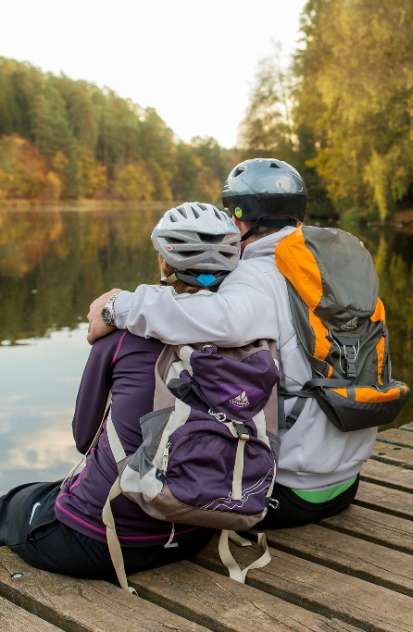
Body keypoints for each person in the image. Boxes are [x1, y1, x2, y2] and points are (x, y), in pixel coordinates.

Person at [86, 159, 375, 529]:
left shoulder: (259, 272)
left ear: (240, 220)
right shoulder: (329, 264)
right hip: (346, 482)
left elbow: (217, 318)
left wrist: (117, 306)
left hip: (288, 493)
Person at [0, 203, 241, 578]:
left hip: (99, 539)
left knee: (14, 504)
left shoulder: (122, 337)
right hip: (195, 528)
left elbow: (84, 437)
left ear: (164, 262)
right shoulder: (250, 340)